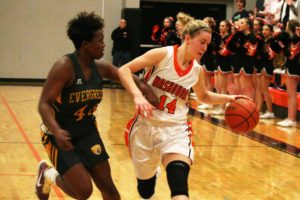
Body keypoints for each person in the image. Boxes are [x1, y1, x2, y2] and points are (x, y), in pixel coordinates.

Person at [118, 19, 247, 200]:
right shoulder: (163, 55)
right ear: (187, 38)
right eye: (202, 42)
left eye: (207, 44)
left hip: (175, 131)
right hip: (145, 127)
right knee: (145, 191)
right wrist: (137, 96)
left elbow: (204, 96)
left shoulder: (197, 70)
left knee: (179, 190)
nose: (204, 48)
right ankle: (151, 175)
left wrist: (230, 98)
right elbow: (124, 70)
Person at [35, 11, 158, 200]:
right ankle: (47, 173)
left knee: (109, 189)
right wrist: (57, 130)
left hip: (86, 132)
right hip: (58, 135)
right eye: (99, 40)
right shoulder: (64, 66)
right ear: (85, 44)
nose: (104, 44)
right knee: (84, 191)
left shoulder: (100, 67)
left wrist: (143, 86)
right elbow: (44, 103)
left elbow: (123, 75)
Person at [277, 19, 300, 127]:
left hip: (294, 67)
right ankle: (290, 117)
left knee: (292, 94)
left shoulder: (295, 38)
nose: (285, 27)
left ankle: (292, 119)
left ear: (290, 27)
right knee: (290, 94)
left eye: (286, 25)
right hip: (292, 66)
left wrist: (282, 46)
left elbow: (291, 55)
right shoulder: (293, 38)